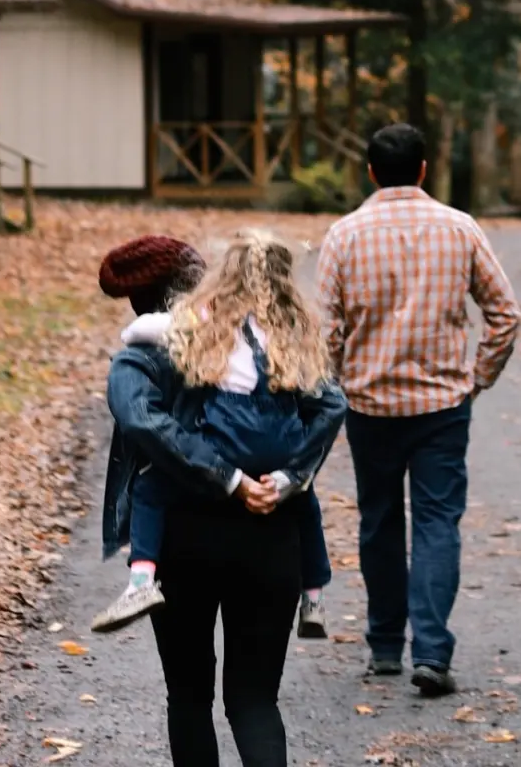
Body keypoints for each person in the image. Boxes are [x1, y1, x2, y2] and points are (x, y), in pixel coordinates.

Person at [96, 233, 346, 766]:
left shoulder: (142, 356)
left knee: (188, 696)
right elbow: (331, 402)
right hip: (271, 532)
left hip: (183, 539)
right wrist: (284, 477)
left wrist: (223, 475)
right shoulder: (272, 342)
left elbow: (139, 418)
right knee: (255, 700)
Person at [315, 123, 521, 698]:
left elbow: (326, 330)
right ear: (425, 169)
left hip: (370, 403)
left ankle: (385, 646)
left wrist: (336, 386)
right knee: (436, 523)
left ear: (372, 171)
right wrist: (476, 379)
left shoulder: (344, 235)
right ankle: (430, 652)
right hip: (442, 406)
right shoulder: (460, 229)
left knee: (379, 521)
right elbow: (505, 315)